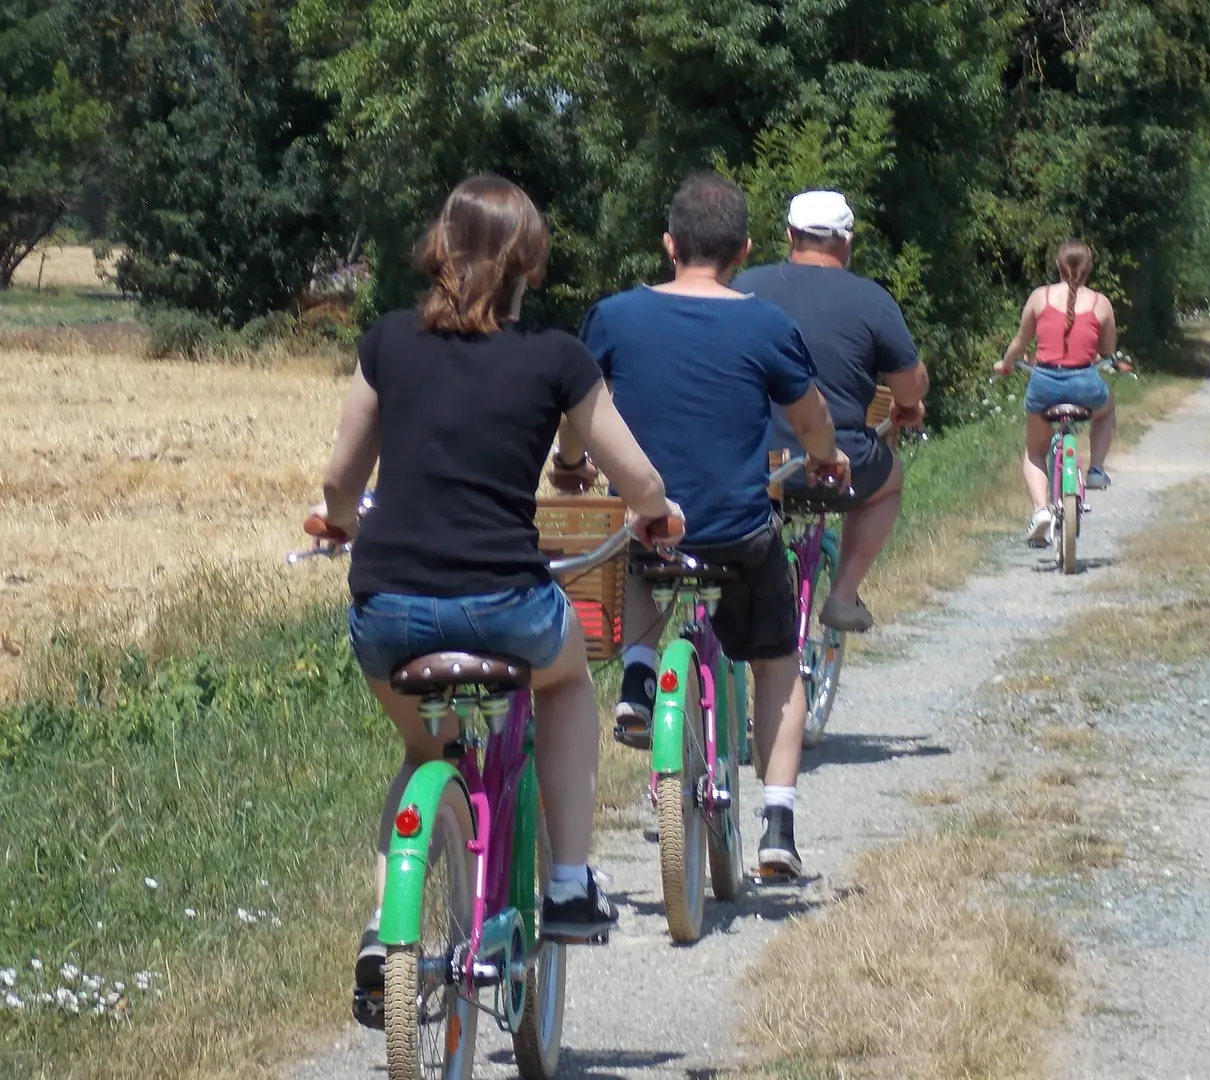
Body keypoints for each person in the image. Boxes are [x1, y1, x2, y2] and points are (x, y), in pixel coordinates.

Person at [314, 174, 685, 1007]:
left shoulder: (386, 342)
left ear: (439, 251)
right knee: (567, 682)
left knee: (423, 749)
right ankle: (565, 883)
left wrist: (339, 521)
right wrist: (659, 514)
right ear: (532, 265)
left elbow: (341, 477)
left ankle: (386, 931)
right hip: (506, 606)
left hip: (388, 612)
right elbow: (635, 477)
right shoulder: (557, 358)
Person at [562, 171, 850, 878]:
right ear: (745, 247)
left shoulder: (614, 316)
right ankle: (777, 823)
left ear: (668, 243)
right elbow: (810, 419)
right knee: (778, 659)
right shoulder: (765, 324)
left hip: (658, 528)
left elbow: (576, 410)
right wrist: (828, 458)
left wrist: (570, 466)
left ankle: (637, 678)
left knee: (639, 547)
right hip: (740, 534)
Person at [732, 190, 928, 633]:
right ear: (847, 240)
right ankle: (841, 595)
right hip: (835, 465)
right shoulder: (871, 299)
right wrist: (909, 406)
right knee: (890, 478)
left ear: (789, 235)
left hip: (748, 466)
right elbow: (909, 384)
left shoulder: (743, 286)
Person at [993, 239, 1127, 545]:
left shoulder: (1040, 297)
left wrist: (1007, 363)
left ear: (1057, 265)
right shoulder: (1100, 303)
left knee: (1034, 450)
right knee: (1106, 410)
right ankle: (1095, 469)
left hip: (1043, 385)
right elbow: (1107, 351)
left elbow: (1019, 341)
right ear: (1089, 269)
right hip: (1085, 385)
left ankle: (1041, 510)